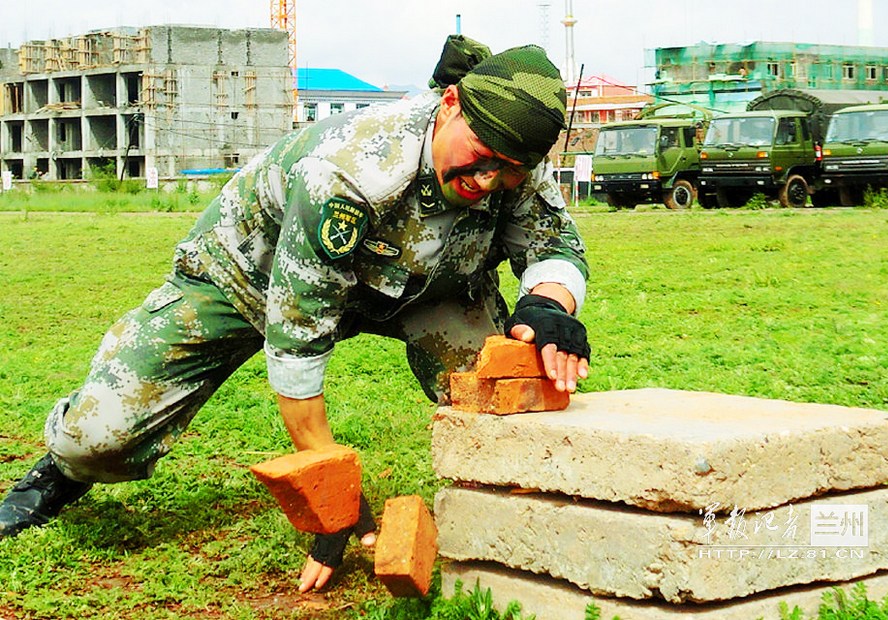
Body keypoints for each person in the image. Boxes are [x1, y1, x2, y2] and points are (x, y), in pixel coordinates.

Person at [0, 38, 591, 592]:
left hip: (420, 286)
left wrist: (548, 304)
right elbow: (299, 337)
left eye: (510, 170)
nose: (489, 180)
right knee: (97, 439)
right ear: (450, 105)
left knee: (503, 386)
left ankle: (506, 507)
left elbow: (553, 246)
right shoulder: (347, 170)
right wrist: (329, 497)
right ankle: (60, 474)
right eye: (482, 158)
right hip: (247, 281)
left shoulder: (518, 158)